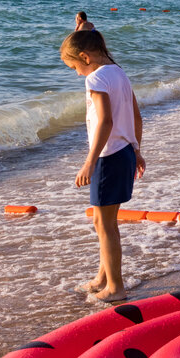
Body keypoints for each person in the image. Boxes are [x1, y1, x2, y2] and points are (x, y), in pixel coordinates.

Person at [60, 30, 145, 303]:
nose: (77, 74)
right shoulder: (119, 72)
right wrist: (137, 149)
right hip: (124, 153)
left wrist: (90, 161)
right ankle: (103, 277)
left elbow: (106, 122)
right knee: (101, 221)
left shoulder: (96, 79)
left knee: (106, 226)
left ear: (85, 56)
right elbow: (136, 116)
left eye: (75, 67)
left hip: (109, 158)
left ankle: (116, 287)